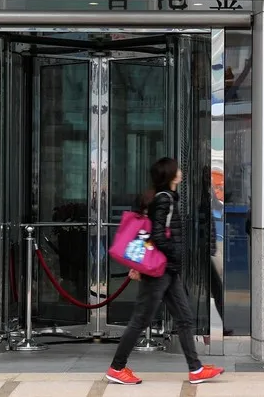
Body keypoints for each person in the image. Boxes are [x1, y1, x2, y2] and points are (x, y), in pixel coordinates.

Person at [106, 157, 224, 386]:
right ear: (170, 175)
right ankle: (117, 367)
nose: (180, 171)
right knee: (141, 319)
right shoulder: (164, 200)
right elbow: (158, 235)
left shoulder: (165, 198)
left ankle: (196, 369)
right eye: (177, 169)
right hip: (160, 271)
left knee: (184, 318)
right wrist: (173, 254)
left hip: (168, 270)